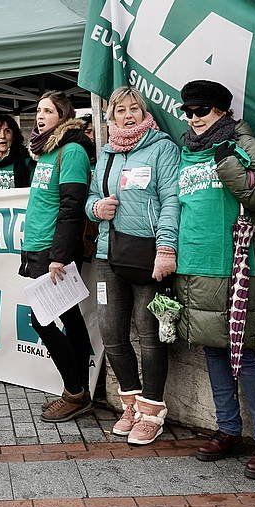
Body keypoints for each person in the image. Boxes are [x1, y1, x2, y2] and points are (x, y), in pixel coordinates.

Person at [173, 80, 255, 479]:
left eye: (201, 111)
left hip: (238, 266)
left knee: (246, 358)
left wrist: (228, 163)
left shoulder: (245, 146)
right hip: (195, 266)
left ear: (221, 110)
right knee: (213, 351)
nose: (193, 118)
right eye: (188, 111)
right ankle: (228, 429)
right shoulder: (184, 149)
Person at [85, 87, 181, 445]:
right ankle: (130, 401)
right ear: (110, 117)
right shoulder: (106, 153)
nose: (127, 115)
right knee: (111, 332)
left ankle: (152, 411)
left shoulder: (162, 148)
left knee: (149, 333)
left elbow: (171, 200)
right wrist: (96, 209)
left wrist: (167, 247)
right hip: (109, 255)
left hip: (148, 256)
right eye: (120, 110)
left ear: (144, 112)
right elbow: (92, 196)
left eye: (134, 109)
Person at [19, 90, 95, 422]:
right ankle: (80, 391)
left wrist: (59, 256)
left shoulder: (72, 151)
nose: (40, 116)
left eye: (48, 111)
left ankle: (74, 392)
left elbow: (71, 209)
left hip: (54, 252)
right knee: (69, 317)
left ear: (63, 116)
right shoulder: (46, 152)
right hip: (38, 248)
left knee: (43, 320)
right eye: (38, 110)